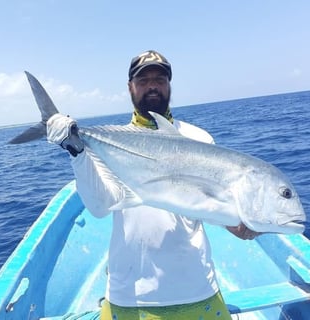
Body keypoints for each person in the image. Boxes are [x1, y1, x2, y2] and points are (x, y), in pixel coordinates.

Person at [47, 50, 259, 320]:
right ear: (130, 87)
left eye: (159, 79)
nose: (152, 86)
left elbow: (212, 205)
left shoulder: (199, 139)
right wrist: (76, 150)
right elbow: (101, 207)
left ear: (169, 85)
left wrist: (242, 224)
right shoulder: (112, 143)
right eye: (143, 79)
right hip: (129, 294)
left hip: (197, 288)